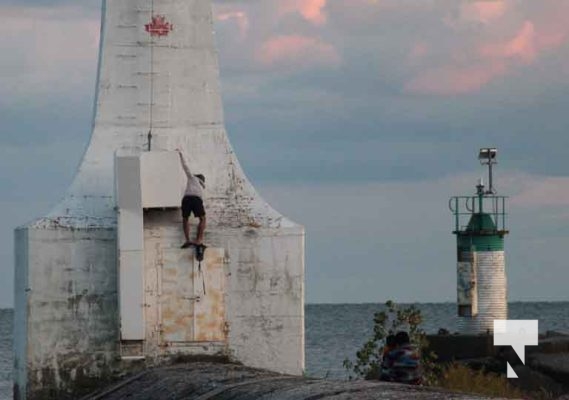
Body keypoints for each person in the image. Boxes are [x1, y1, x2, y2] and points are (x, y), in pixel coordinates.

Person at [176, 149, 206, 248]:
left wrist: (180, 155)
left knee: (185, 219)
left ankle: (187, 240)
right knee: (202, 219)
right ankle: (199, 240)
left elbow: (185, 167)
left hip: (186, 199)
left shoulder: (192, 178)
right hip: (196, 199)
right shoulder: (201, 186)